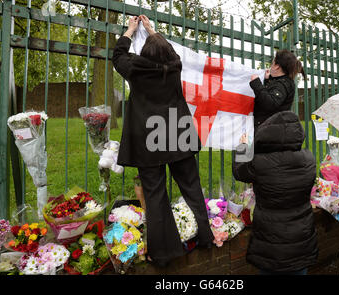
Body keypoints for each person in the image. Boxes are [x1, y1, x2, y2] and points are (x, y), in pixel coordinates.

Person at [112, 15, 214, 267]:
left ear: (145, 54)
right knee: (191, 186)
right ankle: (205, 237)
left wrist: (129, 31)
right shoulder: (175, 65)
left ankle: (164, 253)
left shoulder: (136, 68)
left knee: (155, 194)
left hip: (149, 140)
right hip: (177, 133)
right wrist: (152, 30)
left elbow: (118, 57)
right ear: (168, 52)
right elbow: (168, 52)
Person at [232, 111, 318, 275]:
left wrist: (243, 147)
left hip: (270, 237)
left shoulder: (260, 162)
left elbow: (240, 172)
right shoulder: (309, 158)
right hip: (301, 234)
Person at [249, 50, 306, 129]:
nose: (271, 65)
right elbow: (271, 95)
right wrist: (267, 80)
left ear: (277, 66)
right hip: (271, 129)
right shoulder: (282, 82)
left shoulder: (283, 84)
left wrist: (257, 84)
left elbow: (270, 103)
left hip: (269, 133)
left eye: (272, 63)